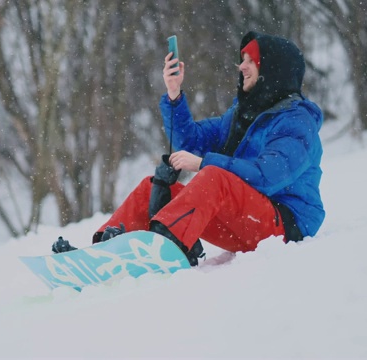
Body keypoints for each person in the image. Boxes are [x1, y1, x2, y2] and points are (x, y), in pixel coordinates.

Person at [52, 31, 325, 266]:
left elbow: (267, 176)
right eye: (242, 59)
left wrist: (203, 163)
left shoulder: (297, 121)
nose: (242, 66)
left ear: (272, 70)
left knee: (213, 177)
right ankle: (103, 255)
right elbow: (191, 141)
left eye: (251, 60)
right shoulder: (241, 115)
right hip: (246, 221)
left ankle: (162, 249)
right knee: (153, 188)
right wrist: (174, 94)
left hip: (285, 227)